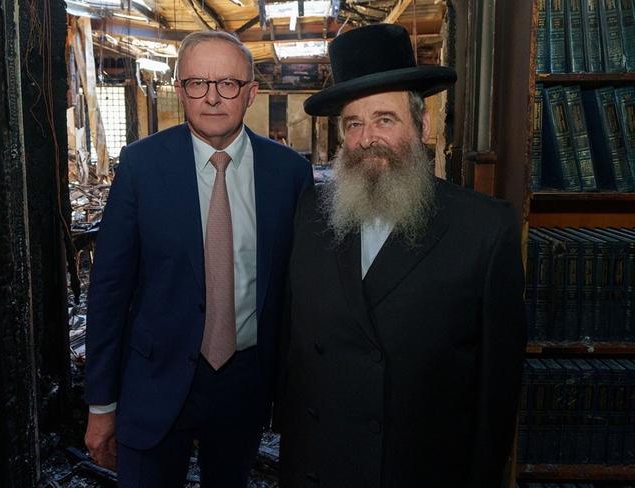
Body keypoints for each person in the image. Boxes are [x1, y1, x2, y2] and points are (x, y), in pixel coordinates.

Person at [277, 23, 527, 488]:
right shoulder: (311, 212)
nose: (368, 137)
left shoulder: (485, 229)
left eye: (385, 119)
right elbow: (292, 351)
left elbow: (496, 395)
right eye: (354, 123)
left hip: (418, 470)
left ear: (423, 125)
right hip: (319, 466)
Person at [84, 30, 312, 488]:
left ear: (250, 93)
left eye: (227, 83)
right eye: (196, 83)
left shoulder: (288, 174)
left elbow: (297, 290)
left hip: (244, 383)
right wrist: (101, 405)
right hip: (154, 378)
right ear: (179, 89)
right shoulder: (141, 167)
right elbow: (109, 291)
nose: (211, 97)